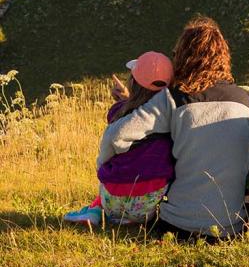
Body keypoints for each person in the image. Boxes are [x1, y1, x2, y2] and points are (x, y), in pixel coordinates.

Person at [97, 17, 249, 241]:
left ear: (184, 56)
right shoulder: (248, 102)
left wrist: (103, 169)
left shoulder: (173, 98)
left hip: (176, 226)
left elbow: (116, 136)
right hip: (231, 227)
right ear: (223, 57)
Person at [64, 51, 175, 227]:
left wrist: (124, 102)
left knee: (114, 175)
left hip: (112, 199)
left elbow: (103, 161)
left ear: (133, 83)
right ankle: (129, 218)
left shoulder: (119, 116)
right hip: (149, 204)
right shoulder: (172, 117)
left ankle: (95, 210)